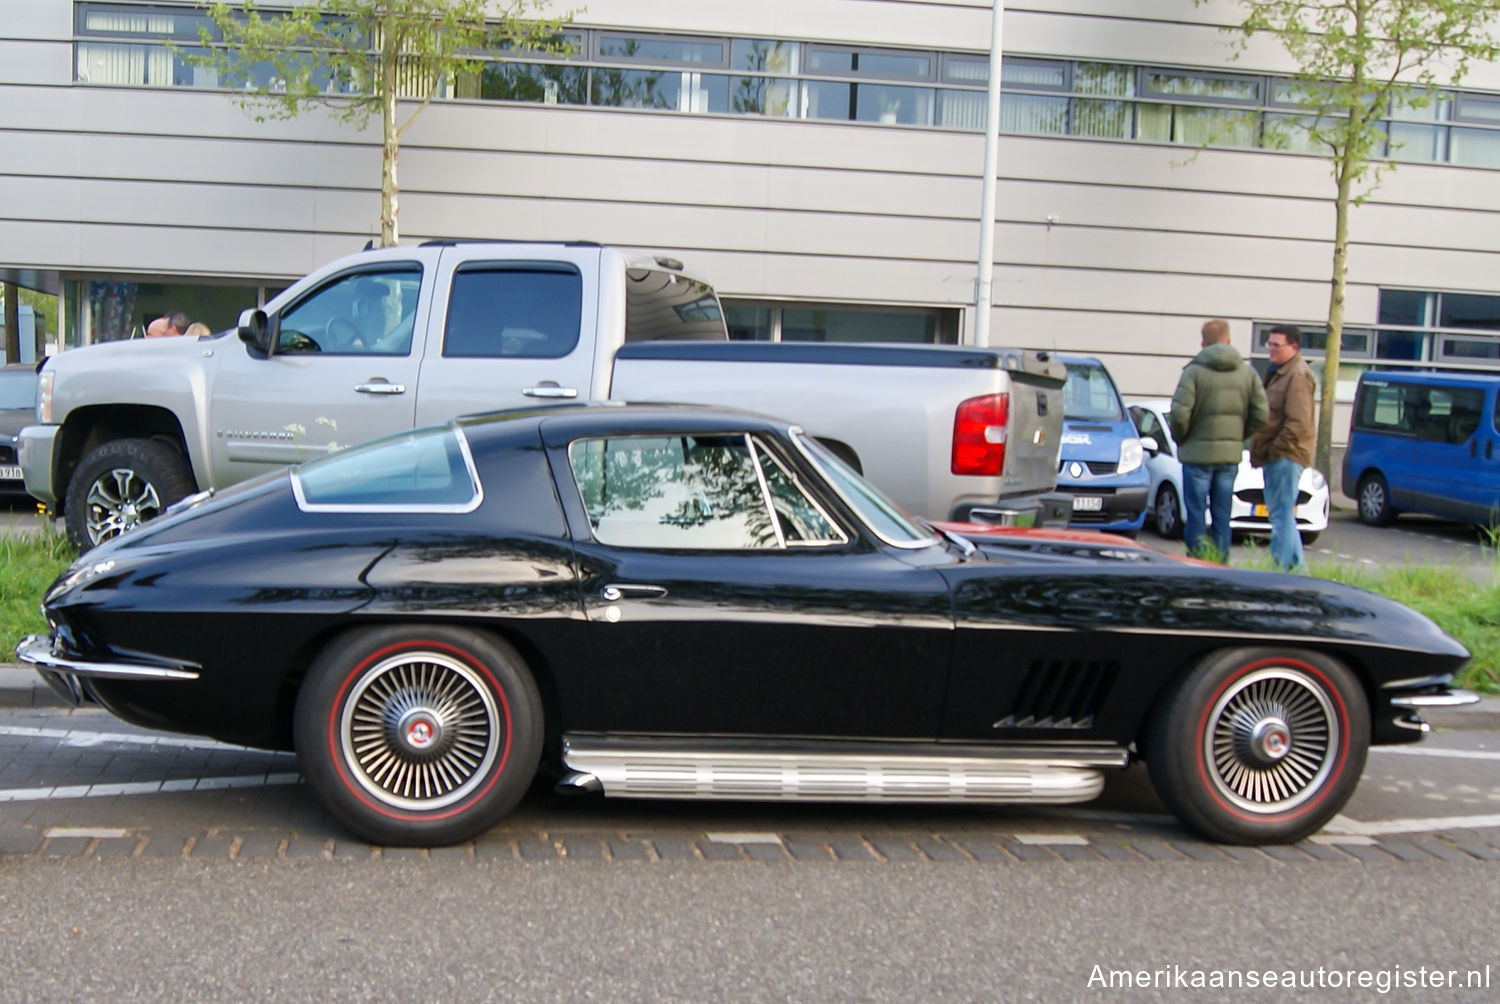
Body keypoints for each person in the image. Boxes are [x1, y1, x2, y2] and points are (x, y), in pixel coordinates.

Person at [1169, 318, 1267, 563]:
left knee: (1196, 514)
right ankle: (1220, 566)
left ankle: (1196, 563)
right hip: (1228, 457)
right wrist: (1239, 437)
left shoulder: (1193, 372)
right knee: (1223, 515)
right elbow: (1262, 414)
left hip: (1196, 457)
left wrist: (1182, 438)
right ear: (1229, 340)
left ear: (1203, 343)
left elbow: (1180, 415)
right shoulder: (1248, 373)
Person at [1250, 323, 1317, 572]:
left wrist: (1275, 450)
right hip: (1279, 454)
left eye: (1277, 345)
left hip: (1286, 455)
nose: (1272, 350)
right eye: (1270, 345)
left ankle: (1286, 570)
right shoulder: (1280, 372)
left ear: (1294, 347)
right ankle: (1297, 570)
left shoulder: (1297, 374)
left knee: (1280, 515)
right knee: (1281, 514)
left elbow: (1297, 422)